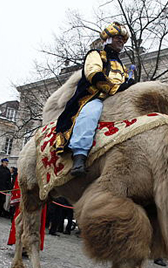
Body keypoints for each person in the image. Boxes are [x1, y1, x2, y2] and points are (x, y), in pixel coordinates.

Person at [53, 22, 135, 177]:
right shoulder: (95, 55)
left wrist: (129, 85)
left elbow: (123, 84)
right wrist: (115, 88)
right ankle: (79, 155)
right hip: (94, 97)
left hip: (117, 99)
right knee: (91, 113)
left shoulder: (122, 66)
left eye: (123, 40)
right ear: (108, 39)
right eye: (118, 38)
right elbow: (94, 75)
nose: (121, 42)